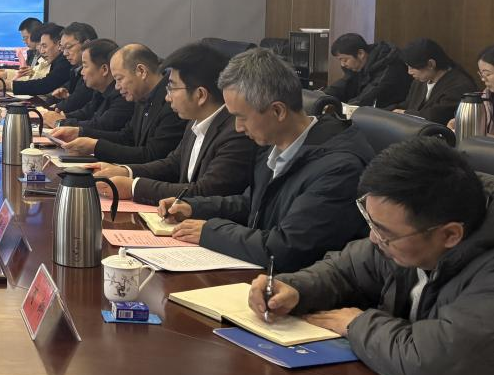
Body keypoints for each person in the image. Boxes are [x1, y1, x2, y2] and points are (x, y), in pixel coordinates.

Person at [250, 138, 494, 375]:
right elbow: (347, 266)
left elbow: (433, 363)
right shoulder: (409, 235)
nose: (373, 238)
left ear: (450, 235)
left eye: (384, 232)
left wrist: (357, 324)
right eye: (370, 222)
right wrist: (297, 288)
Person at [163, 47, 373, 271]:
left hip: (297, 283)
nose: (237, 127)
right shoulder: (272, 143)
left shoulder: (339, 169)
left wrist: (211, 232)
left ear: (278, 111)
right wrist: (194, 207)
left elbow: (287, 249)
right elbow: (253, 204)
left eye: (241, 117)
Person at [93, 42, 256, 203]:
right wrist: (125, 171)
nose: (167, 97)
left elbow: (205, 191)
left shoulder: (236, 133)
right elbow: (173, 164)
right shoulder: (194, 121)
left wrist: (134, 187)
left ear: (200, 95)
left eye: (172, 88)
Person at [56, 44, 185, 165]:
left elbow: (152, 155)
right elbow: (127, 137)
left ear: (141, 71)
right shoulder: (142, 96)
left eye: (119, 79)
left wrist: (96, 146)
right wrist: (80, 132)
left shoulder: (172, 103)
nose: (117, 87)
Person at [47, 38, 132, 138]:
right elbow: (86, 112)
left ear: (104, 69)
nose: (82, 72)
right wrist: (63, 117)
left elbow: (101, 125)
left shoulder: (123, 95)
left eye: (85, 66)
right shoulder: (100, 91)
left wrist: (60, 122)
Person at [392, 38, 477, 125]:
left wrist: (405, 113)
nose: (409, 72)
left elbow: (436, 116)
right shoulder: (420, 80)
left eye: (412, 67)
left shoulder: (459, 86)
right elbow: (408, 104)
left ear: (431, 64)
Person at [325, 32, 411, 108]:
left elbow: (370, 96)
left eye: (345, 60)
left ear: (360, 54)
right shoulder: (356, 66)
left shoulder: (388, 65)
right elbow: (345, 84)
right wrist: (323, 97)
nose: (342, 64)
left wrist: (342, 108)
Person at [40, 22, 98, 123]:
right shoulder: (75, 69)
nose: (65, 53)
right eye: (63, 48)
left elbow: (78, 102)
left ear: (86, 45)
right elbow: (63, 97)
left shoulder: (93, 74)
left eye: (69, 47)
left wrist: (56, 116)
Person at [7, 22, 70, 97]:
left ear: (59, 45)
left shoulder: (65, 61)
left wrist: (10, 85)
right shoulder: (56, 60)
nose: (42, 51)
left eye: (44, 46)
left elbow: (45, 85)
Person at [450, 45, 494, 137]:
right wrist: (462, 122)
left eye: (487, 74)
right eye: (481, 74)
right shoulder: (487, 95)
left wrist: (482, 135)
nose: (483, 79)